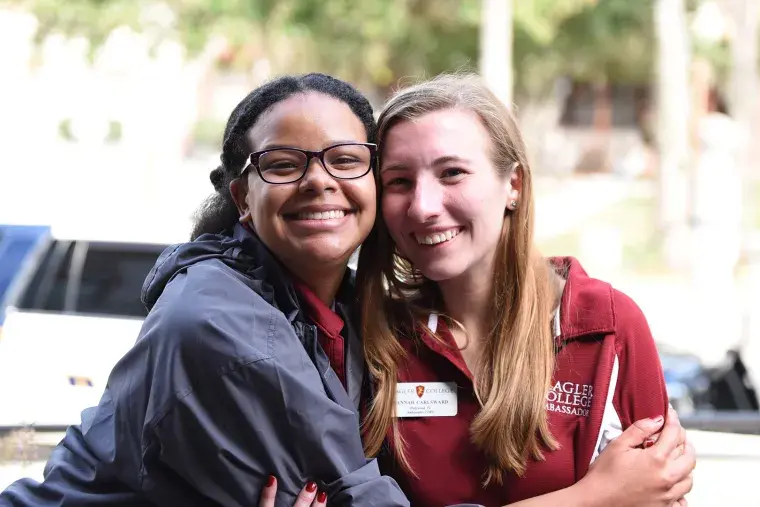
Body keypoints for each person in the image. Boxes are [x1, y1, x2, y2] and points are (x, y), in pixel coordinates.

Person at [259, 74, 695, 507]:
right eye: (399, 181)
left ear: (514, 186)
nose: (423, 207)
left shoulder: (605, 324)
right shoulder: (371, 338)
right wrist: (597, 496)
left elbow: (660, 494)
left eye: (452, 173)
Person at [0, 73, 409, 507]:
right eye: (283, 164)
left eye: (345, 160)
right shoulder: (221, 323)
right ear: (243, 199)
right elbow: (354, 495)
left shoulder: (347, 308)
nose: (319, 180)